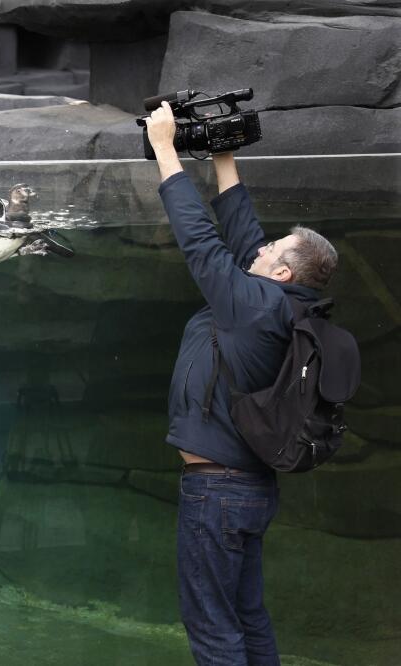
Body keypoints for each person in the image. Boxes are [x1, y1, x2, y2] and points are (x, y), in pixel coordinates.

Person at [144, 102, 338, 665]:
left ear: (280, 273)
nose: (260, 247)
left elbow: (201, 243)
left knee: (213, 628)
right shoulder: (283, 303)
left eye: (273, 249)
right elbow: (242, 234)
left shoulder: (253, 305)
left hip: (218, 493)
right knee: (246, 618)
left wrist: (165, 150)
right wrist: (223, 158)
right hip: (247, 491)